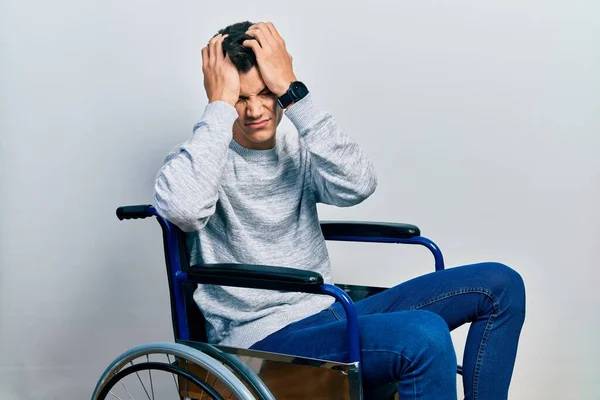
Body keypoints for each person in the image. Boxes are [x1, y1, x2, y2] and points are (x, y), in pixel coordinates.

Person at [153, 20, 526, 400]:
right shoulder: (202, 160)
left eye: (267, 93)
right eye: (239, 98)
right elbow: (182, 209)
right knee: (423, 334)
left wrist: (294, 91)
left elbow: (358, 183)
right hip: (263, 337)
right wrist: (217, 106)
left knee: (501, 284)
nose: (255, 110)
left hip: (328, 310)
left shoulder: (296, 152)